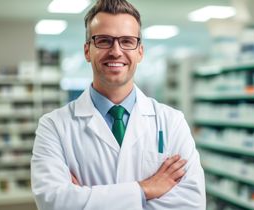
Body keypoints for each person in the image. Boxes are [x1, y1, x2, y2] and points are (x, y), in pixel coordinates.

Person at [30, 0, 206, 209]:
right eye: (104, 40)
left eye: (127, 41)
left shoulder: (172, 122)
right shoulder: (54, 126)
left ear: (140, 51)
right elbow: (53, 202)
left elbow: (191, 204)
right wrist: (145, 189)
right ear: (87, 51)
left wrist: (84, 198)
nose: (116, 51)